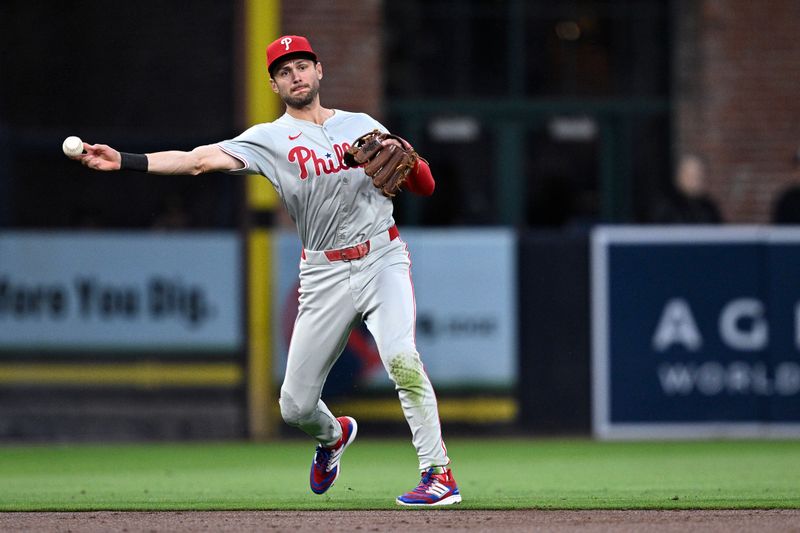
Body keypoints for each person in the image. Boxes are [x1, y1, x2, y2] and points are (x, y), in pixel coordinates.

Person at [70, 35, 460, 507]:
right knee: (295, 406)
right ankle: (333, 436)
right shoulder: (268, 139)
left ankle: (438, 474)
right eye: (284, 70)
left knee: (402, 359)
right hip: (323, 273)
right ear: (274, 84)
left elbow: (425, 185)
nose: (295, 75)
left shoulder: (362, 124)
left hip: (381, 257)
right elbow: (197, 161)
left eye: (302, 65)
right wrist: (128, 161)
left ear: (319, 71)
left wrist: (407, 152)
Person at [650, 154, 723, 224]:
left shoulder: (708, 208)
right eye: (690, 176)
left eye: (698, 176)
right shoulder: (667, 208)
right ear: (679, 177)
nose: (695, 181)